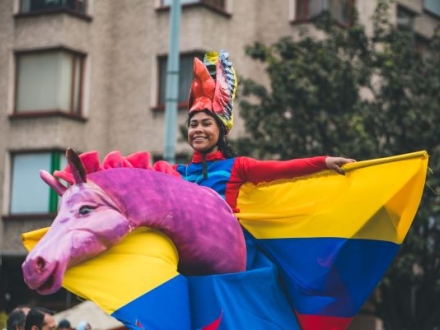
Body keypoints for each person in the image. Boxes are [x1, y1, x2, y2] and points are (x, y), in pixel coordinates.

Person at [172, 50, 355, 214]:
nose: (198, 130)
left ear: (221, 130)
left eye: (206, 123)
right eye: (193, 124)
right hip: (185, 251)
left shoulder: (237, 167)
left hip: (225, 249)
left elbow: (283, 169)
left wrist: (324, 162)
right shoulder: (176, 173)